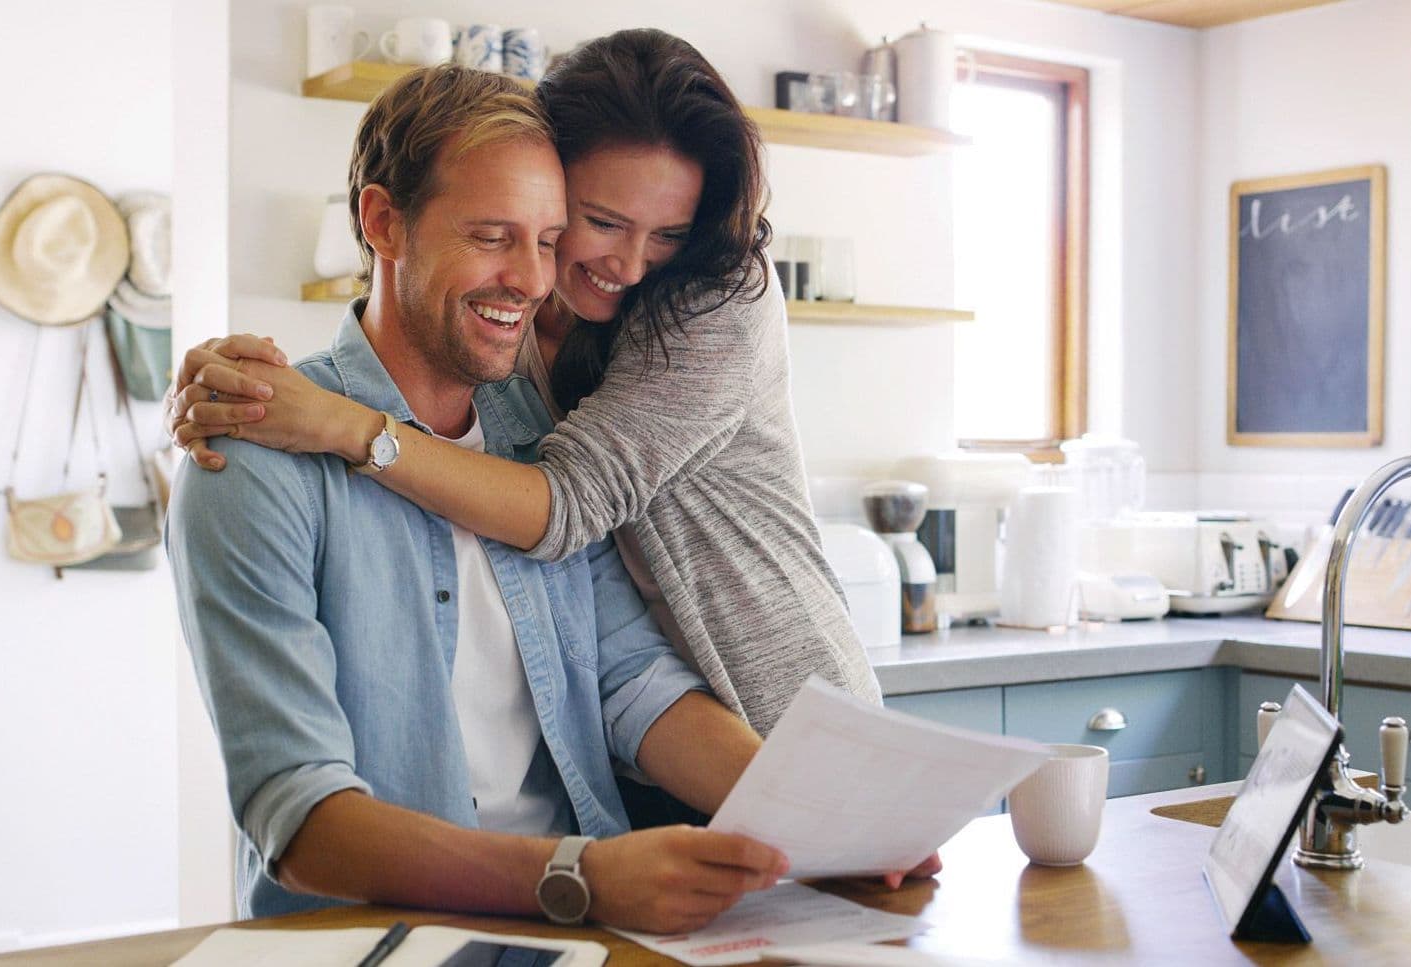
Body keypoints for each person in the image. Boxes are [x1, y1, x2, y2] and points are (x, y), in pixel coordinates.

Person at [167, 65, 802, 933]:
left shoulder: (537, 437)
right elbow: (300, 815)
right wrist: (580, 876)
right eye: (492, 236)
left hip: (578, 921)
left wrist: (818, 817)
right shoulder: (254, 460)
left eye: (547, 240)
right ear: (384, 223)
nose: (532, 279)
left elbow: (632, 682)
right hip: (378, 937)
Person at [165, 29, 880, 740]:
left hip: (785, 711)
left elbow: (565, 504)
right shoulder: (517, 325)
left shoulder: (716, 302)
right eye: (600, 222)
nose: (632, 264)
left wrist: (342, 425)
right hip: (641, 740)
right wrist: (226, 375)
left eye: (667, 233)